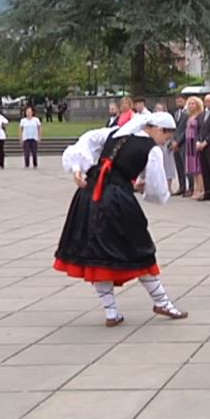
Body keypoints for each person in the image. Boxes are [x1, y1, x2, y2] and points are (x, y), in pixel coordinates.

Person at [54, 112, 188, 326]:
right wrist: (146, 192)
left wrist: (78, 168)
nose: (166, 142)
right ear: (157, 129)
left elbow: (87, 140)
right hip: (115, 202)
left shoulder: (116, 133)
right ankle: (162, 302)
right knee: (138, 250)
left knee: (98, 253)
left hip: (89, 196)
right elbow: (157, 189)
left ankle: (111, 313)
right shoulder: (151, 149)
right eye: (167, 136)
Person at [184, 96, 204, 200]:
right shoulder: (189, 117)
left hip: (195, 141)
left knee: (198, 167)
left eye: (193, 103)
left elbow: (201, 130)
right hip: (188, 142)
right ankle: (196, 189)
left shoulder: (200, 116)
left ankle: (201, 189)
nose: (191, 105)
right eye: (189, 103)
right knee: (192, 168)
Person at [171, 95, 190, 196]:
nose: (179, 103)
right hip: (175, 143)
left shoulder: (187, 113)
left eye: (180, 101)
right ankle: (181, 186)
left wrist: (178, 141)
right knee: (178, 166)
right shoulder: (176, 113)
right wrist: (173, 141)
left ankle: (190, 187)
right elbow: (174, 129)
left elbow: (186, 130)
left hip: (184, 143)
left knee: (186, 166)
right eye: (177, 101)